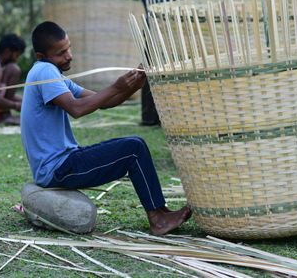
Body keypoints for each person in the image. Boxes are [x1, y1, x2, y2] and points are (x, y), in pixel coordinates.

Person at [20, 21, 192, 236]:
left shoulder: (53, 74)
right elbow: (77, 108)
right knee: (133, 149)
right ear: (40, 55)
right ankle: (158, 218)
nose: (69, 55)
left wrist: (131, 87)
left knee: (133, 147)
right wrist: (117, 86)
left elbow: (101, 101)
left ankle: (160, 213)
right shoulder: (45, 71)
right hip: (57, 169)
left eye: (69, 48)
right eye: (61, 53)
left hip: (64, 163)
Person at [138, 0, 184, 126]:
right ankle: (148, 117)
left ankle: (169, 118)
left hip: (169, 35)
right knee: (148, 74)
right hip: (150, 33)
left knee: (168, 74)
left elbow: (180, 9)